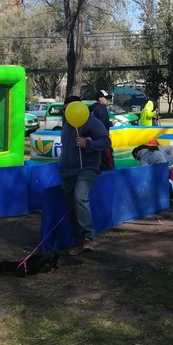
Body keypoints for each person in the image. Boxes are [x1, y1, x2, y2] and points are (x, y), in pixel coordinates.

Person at [59, 95, 111, 255]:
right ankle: (78, 241)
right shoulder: (67, 124)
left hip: (87, 169)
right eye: (65, 109)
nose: (66, 112)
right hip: (68, 171)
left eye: (68, 108)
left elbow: (105, 142)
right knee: (70, 206)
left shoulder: (92, 121)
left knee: (80, 196)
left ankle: (88, 238)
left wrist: (88, 144)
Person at [91, 90, 114, 171]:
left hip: (93, 141)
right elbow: (103, 123)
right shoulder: (101, 108)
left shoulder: (92, 107)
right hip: (102, 140)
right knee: (107, 164)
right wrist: (111, 123)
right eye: (106, 98)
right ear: (100, 99)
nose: (107, 100)